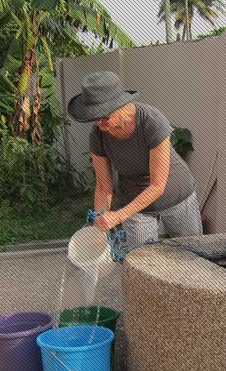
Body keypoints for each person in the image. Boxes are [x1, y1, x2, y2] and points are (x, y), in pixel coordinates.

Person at [67, 71, 202, 246]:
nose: (100, 125)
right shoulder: (98, 135)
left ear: (120, 105)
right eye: (95, 119)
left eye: (104, 117)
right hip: (134, 201)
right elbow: (103, 187)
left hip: (176, 196)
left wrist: (117, 216)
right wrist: (99, 223)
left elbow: (157, 186)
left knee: (191, 254)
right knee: (141, 260)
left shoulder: (152, 122)